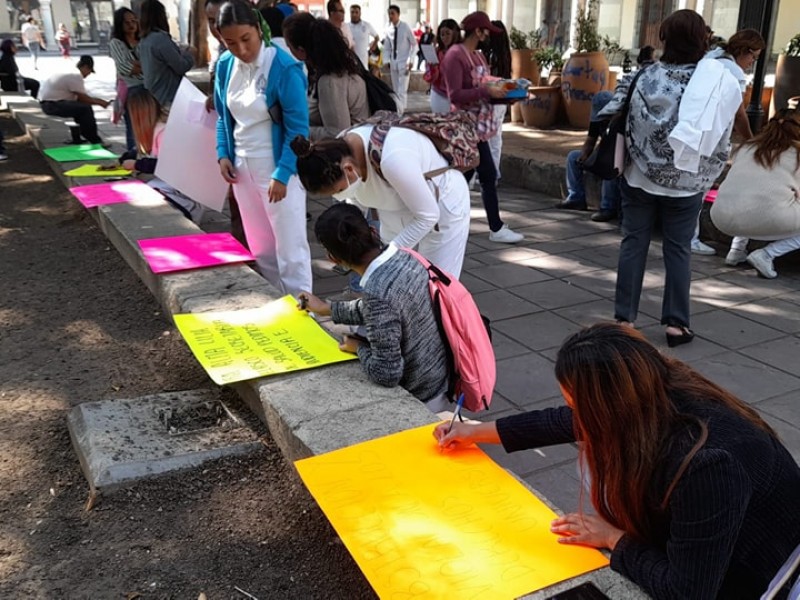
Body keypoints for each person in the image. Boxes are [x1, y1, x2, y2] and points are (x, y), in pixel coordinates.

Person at [436, 323, 800, 599]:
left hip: (766, 572)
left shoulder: (704, 464)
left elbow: (688, 592)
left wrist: (614, 537)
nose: (575, 416)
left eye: (578, 405)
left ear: (608, 407)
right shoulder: (652, 390)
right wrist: (476, 432)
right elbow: (572, 421)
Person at [596, 10, 739, 346]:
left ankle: (624, 318)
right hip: (687, 182)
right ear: (702, 39)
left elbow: (608, 111)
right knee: (678, 250)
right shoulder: (713, 82)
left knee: (633, 244)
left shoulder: (643, 76)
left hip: (639, 177)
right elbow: (723, 132)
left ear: (664, 39)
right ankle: (676, 324)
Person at [297, 203, 450, 413]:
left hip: (421, 398)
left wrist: (358, 348)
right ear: (373, 231)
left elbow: (386, 373)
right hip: (439, 375)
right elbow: (382, 310)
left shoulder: (377, 292)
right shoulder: (404, 256)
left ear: (333, 259)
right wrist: (327, 308)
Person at [214, 0, 312, 297]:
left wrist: (283, 173)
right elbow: (223, 116)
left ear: (259, 30)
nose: (241, 50)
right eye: (230, 42)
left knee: (290, 246)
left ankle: (301, 306)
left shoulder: (283, 66)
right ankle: (275, 302)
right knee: (261, 246)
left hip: (278, 165)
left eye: (246, 39)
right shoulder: (224, 66)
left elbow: (298, 130)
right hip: (242, 167)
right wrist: (222, 153)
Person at [290, 123, 472, 277]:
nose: (338, 196)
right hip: (394, 209)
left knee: (434, 284)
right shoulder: (335, 153)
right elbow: (357, 205)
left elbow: (428, 216)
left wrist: (387, 255)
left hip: (440, 208)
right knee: (397, 281)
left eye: (339, 190)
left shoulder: (394, 158)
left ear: (348, 168)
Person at [440, 11, 523, 244]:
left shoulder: (476, 56)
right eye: (486, 30)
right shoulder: (456, 56)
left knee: (469, 175)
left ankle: (442, 219)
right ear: (478, 31)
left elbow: (486, 90)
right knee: (478, 174)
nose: (488, 34)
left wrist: (509, 96)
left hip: (479, 127)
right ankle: (493, 227)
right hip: (466, 127)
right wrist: (488, 91)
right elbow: (455, 96)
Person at [691, 28, 766, 257]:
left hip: (695, 130)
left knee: (690, 186)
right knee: (700, 189)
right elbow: (738, 114)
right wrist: (751, 140)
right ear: (745, 51)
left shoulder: (712, 57)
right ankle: (690, 238)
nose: (752, 63)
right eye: (754, 57)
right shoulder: (734, 72)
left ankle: (686, 235)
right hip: (712, 138)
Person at [716, 110, 800, 279]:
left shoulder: (747, 147)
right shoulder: (797, 153)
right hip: (766, 219)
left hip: (721, 217)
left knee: (752, 195)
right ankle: (767, 254)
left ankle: (736, 250)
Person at [120, 87, 205, 222]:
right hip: (177, 184)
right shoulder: (157, 128)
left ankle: (186, 211)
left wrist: (136, 164)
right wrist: (126, 158)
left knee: (144, 194)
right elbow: (145, 152)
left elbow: (167, 164)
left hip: (186, 191)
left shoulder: (164, 132)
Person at [282, 13, 368, 140]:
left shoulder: (330, 81)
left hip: (348, 154)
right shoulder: (338, 66)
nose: (289, 51)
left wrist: (300, 130)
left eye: (289, 47)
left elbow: (337, 133)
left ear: (301, 50)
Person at [556, 91, 622, 222]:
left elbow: (618, 148)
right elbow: (590, 141)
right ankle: (576, 198)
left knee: (609, 168)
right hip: (602, 153)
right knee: (572, 157)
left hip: (615, 157)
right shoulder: (597, 121)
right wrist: (585, 154)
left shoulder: (620, 121)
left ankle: (607, 207)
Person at [39, 55, 110, 145]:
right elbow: (83, 98)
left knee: (79, 108)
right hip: (52, 105)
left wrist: (98, 101)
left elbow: (81, 96)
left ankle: (78, 136)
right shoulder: (75, 75)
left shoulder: (70, 71)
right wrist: (100, 102)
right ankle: (94, 139)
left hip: (49, 103)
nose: (88, 75)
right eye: (89, 71)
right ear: (85, 67)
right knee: (85, 109)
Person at [137, 0, 195, 110]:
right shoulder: (160, 39)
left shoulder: (144, 40)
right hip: (168, 97)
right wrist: (190, 54)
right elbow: (181, 66)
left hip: (154, 96)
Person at [109, 8, 145, 156]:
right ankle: (132, 157)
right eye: (126, 22)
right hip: (131, 89)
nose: (131, 25)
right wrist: (141, 65)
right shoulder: (117, 43)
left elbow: (153, 64)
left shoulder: (143, 40)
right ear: (119, 24)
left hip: (148, 88)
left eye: (133, 21)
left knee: (148, 125)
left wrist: (139, 65)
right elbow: (125, 67)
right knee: (132, 126)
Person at [483, 20, 511, 184]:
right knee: (496, 138)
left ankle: (490, 173)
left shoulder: (490, 55)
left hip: (493, 97)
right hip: (501, 98)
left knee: (488, 137)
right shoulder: (505, 54)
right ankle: (494, 172)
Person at [382, 5, 416, 114]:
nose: (391, 16)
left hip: (404, 63)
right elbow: (387, 47)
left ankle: (402, 113)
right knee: (396, 90)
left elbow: (414, 45)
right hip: (394, 63)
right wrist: (386, 61)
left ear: (398, 14)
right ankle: (398, 112)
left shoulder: (405, 27)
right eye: (389, 13)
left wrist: (411, 61)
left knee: (402, 90)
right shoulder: (388, 29)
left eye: (393, 13)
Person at [424, 19, 460, 114]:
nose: (445, 37)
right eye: (442, 34)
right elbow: (430, 77)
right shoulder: (436, 52)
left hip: (457, 95)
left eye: (448, 34)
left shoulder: (461, 52)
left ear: (455, 34)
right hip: (439, 94)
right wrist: (433, 67)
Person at [349, 4, 379, 71]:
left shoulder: (366, 25)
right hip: (350, 62)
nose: (354, 14)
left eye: (356, 12)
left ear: (360, 13)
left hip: (363, 62)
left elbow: (377, 37)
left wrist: (372, 47)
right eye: (352, 12)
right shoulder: (346, 27)